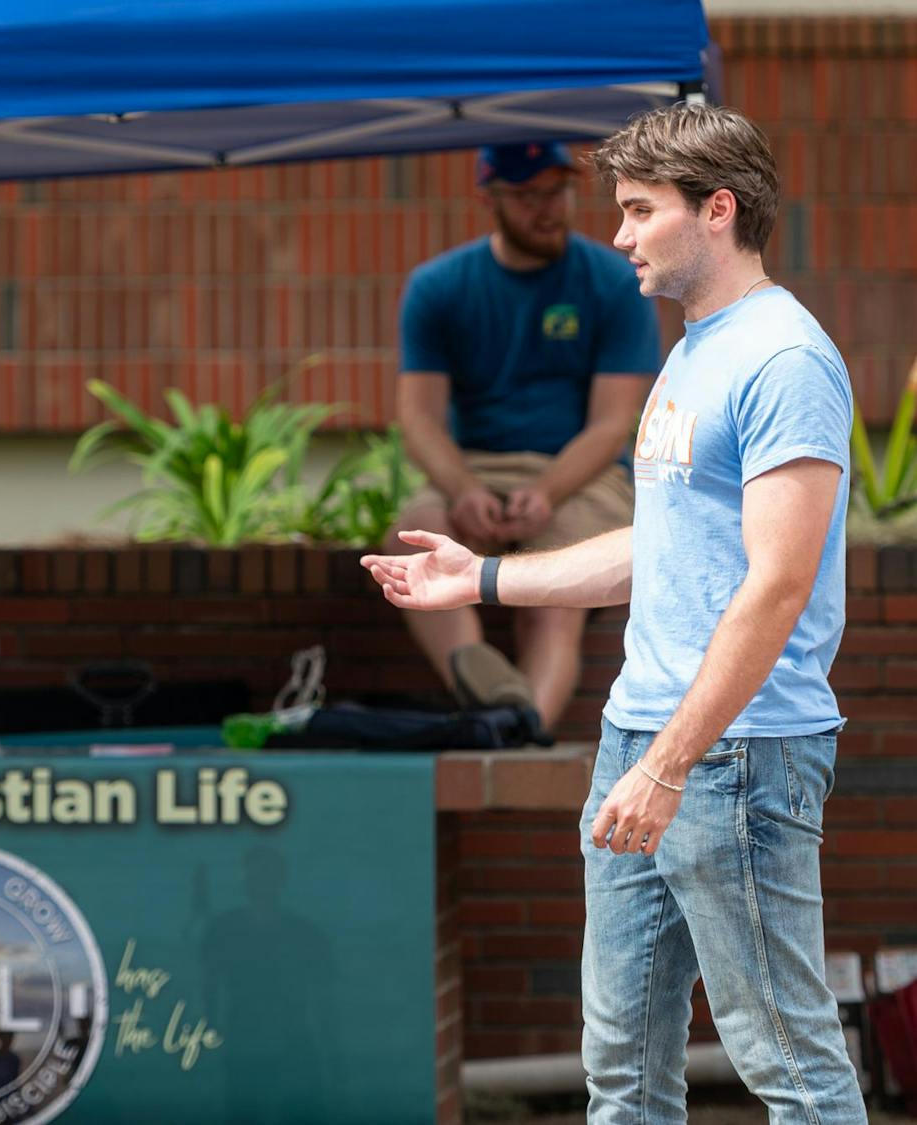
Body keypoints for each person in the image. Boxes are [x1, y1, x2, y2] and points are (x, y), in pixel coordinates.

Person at [363, 102, 865, 1122]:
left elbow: (776, 586)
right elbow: (662, 550)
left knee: (792, 1071)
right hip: (641, 737)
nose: (620, 235)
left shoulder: (784, 360)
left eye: (640, 211)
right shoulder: (696, 350)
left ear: (716, 210)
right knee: (625, 1071)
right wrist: (485, 581)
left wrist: (671, 764)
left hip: (732, 756)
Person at [389, 141, 660, 730]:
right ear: (489, 198)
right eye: (528, 195)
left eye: (557, 191)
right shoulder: (439, 286)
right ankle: (485, 687)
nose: (549, 208)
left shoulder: (615, 282)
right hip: (476, 466)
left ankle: (524, 729)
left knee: (554, 587)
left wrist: (546, 492)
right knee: (412, 536)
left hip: (583, 477)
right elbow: (419, 417)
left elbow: (613, 421)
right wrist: (460, 490)